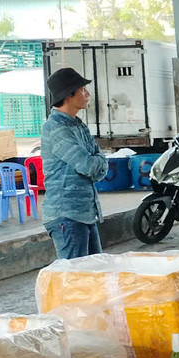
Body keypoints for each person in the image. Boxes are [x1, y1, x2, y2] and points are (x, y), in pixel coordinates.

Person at [41, 68, 109, 258]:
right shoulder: (56, 128)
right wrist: (97, 162)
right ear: (69, 95)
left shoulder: (78, 125)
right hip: (67, 216)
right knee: (74, 280)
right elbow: (87, 165)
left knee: (93, 276)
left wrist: (97, 162)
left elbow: (100, 163)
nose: (87, 95)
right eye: (82, 90)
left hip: (86, 213)